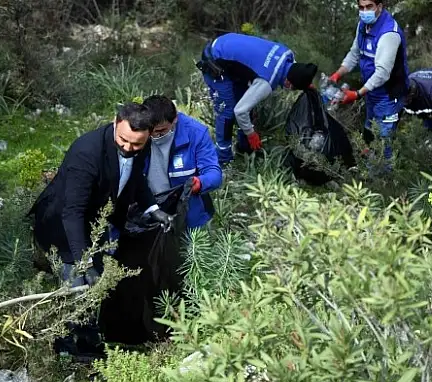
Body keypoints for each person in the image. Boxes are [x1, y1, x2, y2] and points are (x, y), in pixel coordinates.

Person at [27, 102, 172, 357]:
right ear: (115, 123)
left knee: (97, 284)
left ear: (148, 135)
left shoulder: (139, 145)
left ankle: (88, 340)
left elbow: (136, 179)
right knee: (78, 283)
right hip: (61, 225)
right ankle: (70, 349)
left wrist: (153, 209)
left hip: (95, 220)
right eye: (124, 140)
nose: (128, 148)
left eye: (136, 144)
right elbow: (71, 214)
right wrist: (86, 263)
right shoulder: (86, 153)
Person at [196, 32, 319, 164]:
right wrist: (251, 134)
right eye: (292, 88)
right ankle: (223, 158)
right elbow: (240, 111)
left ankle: (243, 148)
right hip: (215, 59)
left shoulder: (286, 55)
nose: (289, 89)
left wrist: (306, 83)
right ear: (288, 83)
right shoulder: (265, 82)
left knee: (244, 101)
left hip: (230, 51)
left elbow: (297, 71)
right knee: (227, 112)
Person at [328, 0, 409, 170]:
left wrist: (357, 94)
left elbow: (382, 73)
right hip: (372, 92)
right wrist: (338, 74)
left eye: (369, 7)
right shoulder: (363, 25)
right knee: (370, 131)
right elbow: (354, 54)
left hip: (389, 95)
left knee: (383, 139)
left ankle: (384, 184)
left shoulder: (389, 34)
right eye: (361, 7)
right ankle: (370, 172)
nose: (364, 11)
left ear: (379, 6)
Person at [142, 95, 223, 229]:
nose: (155, 136)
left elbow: (214, 173)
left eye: (161, 131)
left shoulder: (196, 133)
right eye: (150, 131)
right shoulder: (138, 131)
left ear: (175, 120)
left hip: (190, 213)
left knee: (192, 246)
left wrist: (200, 183)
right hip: (150, 209)